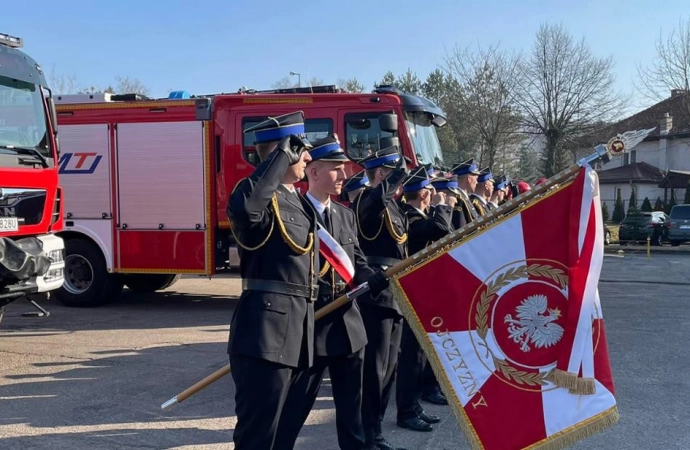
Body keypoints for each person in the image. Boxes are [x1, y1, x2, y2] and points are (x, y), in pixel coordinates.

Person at [273, 135, 389, 450]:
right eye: (336, 169)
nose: (343, 176)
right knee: (294, 409)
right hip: (311, 326)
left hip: (349, 329)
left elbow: (357, 264)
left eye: (344, 169)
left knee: (353, 416)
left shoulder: (345, 215)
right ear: (314, 172)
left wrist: (374, 279)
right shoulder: (293, 212)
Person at [226, 110, 319, 450]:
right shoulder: (255, 194)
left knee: (285, 435)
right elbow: (247, 210)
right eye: (300, 149)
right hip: (266, 334)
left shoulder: (295, 198)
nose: (307, 156)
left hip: (301, 333)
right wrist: (280, 157)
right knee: (258, 438)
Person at [352, 146, 409, 450]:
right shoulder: (366, 199)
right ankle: (367, 433)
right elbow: (376, 200)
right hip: (375, 292)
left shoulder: (395, 207)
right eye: (393, 174)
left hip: (396, 292)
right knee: (373, 369)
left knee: (389, 368)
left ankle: (376, 430)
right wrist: (399, 173)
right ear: (381, 173)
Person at [395, 166, 454, 432]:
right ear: (422, 193)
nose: (434, 195)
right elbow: (443, 229)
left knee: (419, 353)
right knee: (411, 356)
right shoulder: (412, 218)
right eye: (430, 191)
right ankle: (406, 410)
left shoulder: (419, 215)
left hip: (424, 290)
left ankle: (414, 406)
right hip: (412, 292)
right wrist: (442, 204)